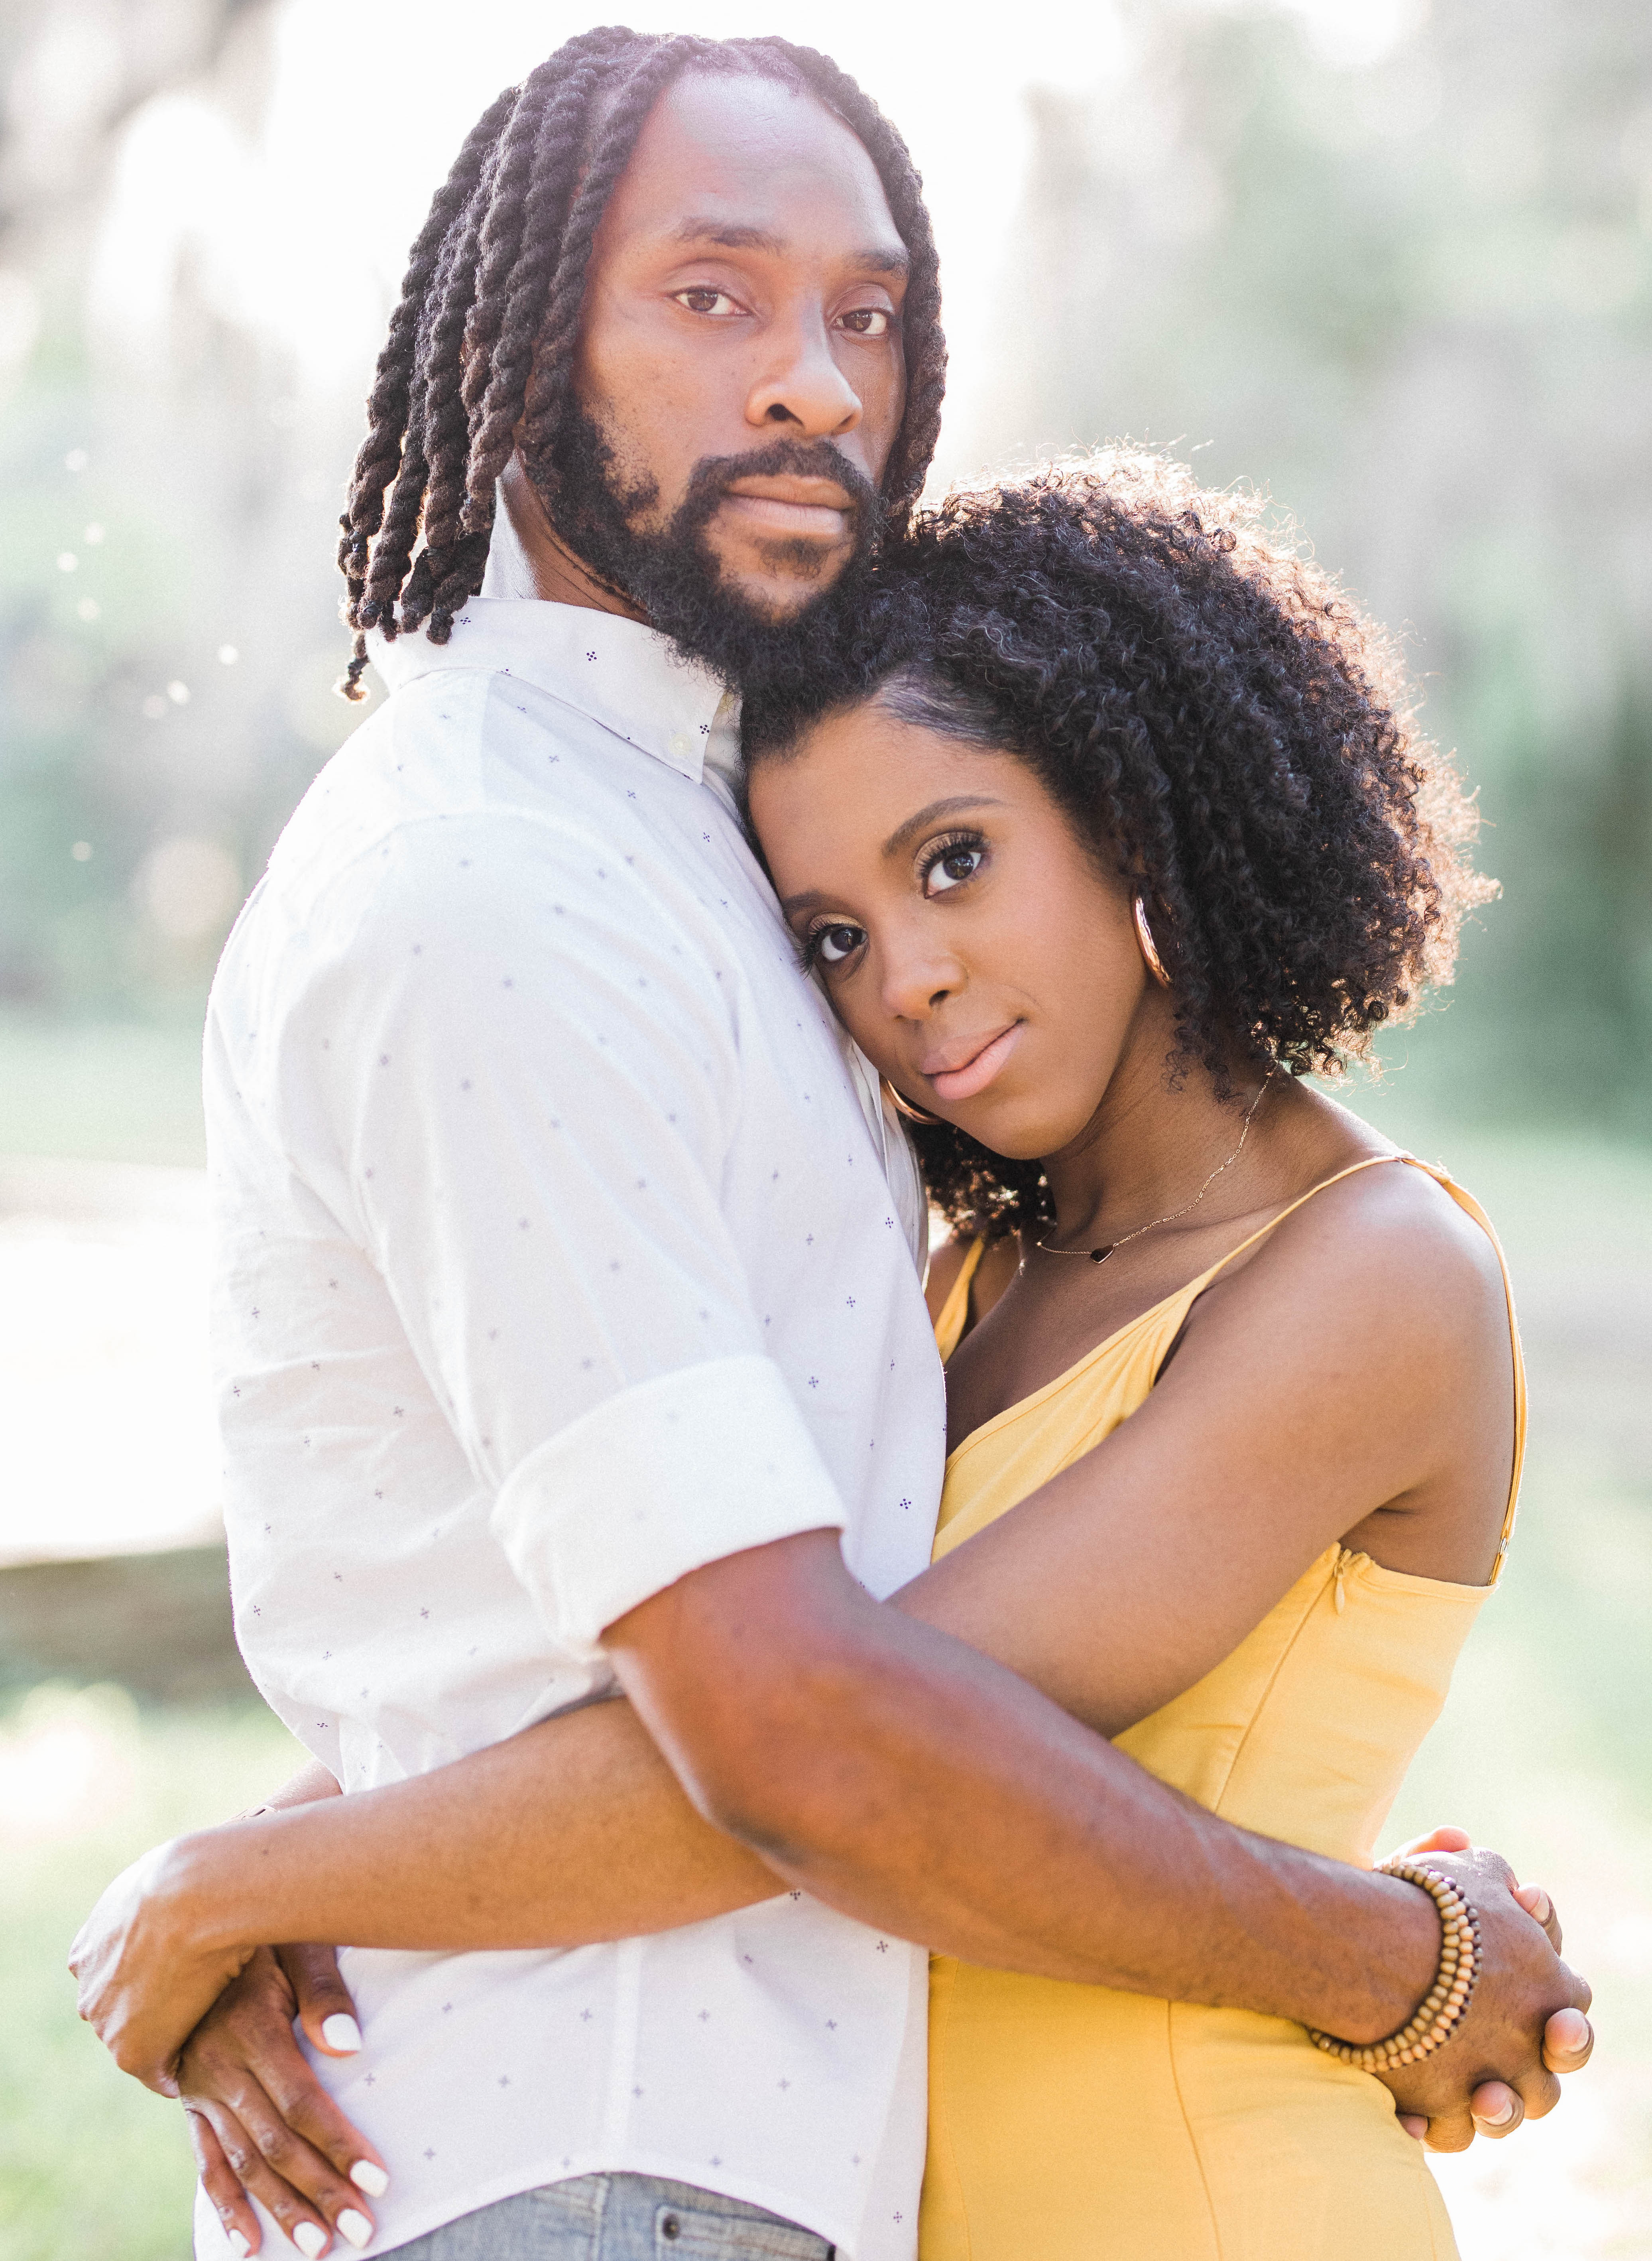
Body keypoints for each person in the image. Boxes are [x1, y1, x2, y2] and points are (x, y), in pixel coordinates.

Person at [70, 33, 1590, 2261]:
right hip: (600, 2162)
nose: (815, 383)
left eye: (864, 312)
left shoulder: (1344, 1265)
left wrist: (238, 1878)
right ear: (510, 359)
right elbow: (777, 1713)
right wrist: (224, 1886)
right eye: (713, 294)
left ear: (1133, 807)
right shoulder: (512, 882)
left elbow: (819, 1704)